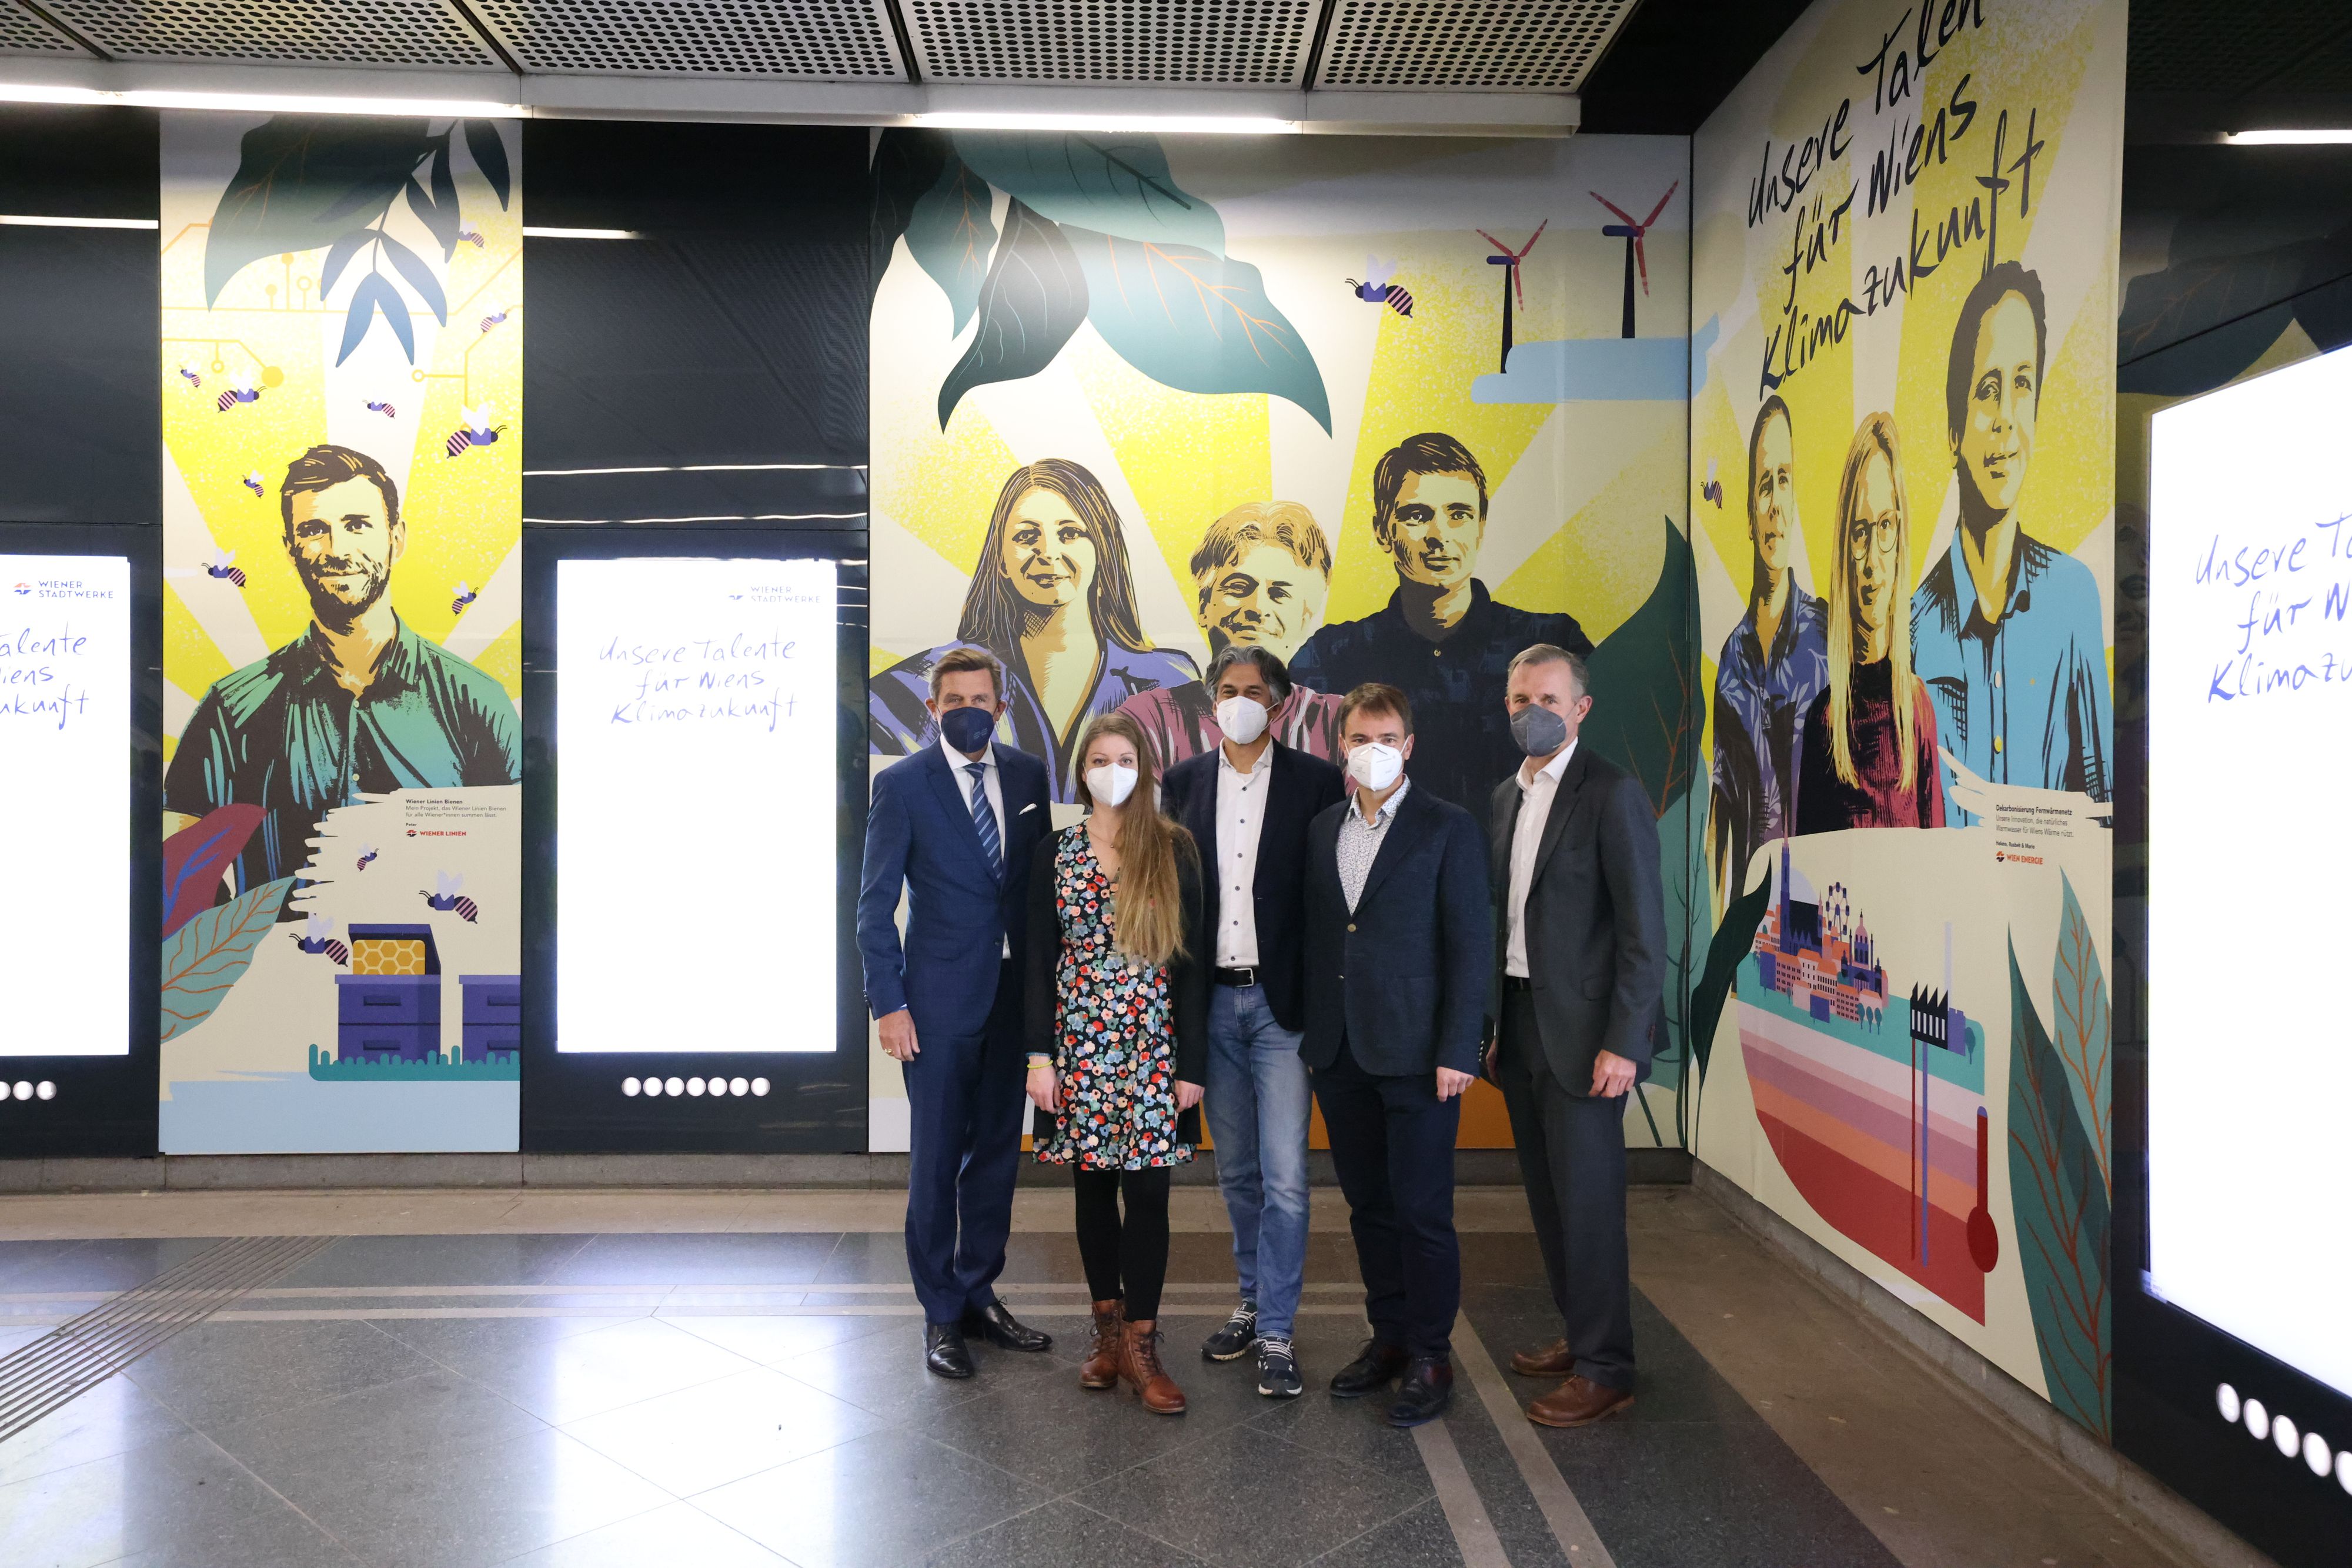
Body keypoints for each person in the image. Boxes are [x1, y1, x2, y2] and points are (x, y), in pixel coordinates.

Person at [164, 444, 519, 890]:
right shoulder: (232, 707)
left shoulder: (477, 700)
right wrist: (241, 932)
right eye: (315, 529)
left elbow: (516, 859)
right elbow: (175, 857)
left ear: (396, 539)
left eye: (357, 525)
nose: (337, 549)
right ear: (290, 549)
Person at [857, 646, 1057, 1379]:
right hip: (936, 1003)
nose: (968, 710)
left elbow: (1036, 891)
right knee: (937, 1160)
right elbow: (874, 907)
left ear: (1001, 706)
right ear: (932, 709)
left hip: (1015, 1000)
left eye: (980, 699)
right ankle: (940, 1313)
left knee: (999, 1155)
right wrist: (889, 1003)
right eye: (954, 700)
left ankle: (978, 1292)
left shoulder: (1029, 776)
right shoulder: (902, 784)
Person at [1302, 681, 1493, 1428]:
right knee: (1369, 1208)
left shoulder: (1448, 827)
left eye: (1386, 739)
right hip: (1340, 1051)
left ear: (1408, 747)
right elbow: (1325, 935)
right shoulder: (1324, 827)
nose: (1372, 751)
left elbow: (1470, 944)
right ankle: (1387, 1336)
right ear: (1340, 746)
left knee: (1422, 1212)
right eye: (1360, 739)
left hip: (1420, 1056)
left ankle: (1430, 1354)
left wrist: (1459, 1047)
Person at [1486, 644, 1665, 1428]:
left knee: (1589, 1204)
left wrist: (1625, 1040)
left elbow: (1643, 931)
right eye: (1520, 698)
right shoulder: (1507, 795)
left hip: (1590, 1037)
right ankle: (1581, 1331)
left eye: (1549, 699)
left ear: (1581, 708)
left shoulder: (1611, 794)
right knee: (1550, 1197)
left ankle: (1606, 1367)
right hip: (1522, 1023)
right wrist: (1495, 1025)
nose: (1533, 711)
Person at [1159, 644, 1345, 1398]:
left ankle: (1276, 1328)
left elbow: (1329, 901)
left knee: (1287, 1178)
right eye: (1228, 690)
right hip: (1210, 1004)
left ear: (1280, 702)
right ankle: (1250, 1299)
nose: (1240, 702)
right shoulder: (1182, 783)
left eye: (1254, 691)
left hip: (1281, 1007)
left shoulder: (1318, 782)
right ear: (1212, 703)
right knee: (1235, 1172)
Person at [1024, 710, 1207, 1416]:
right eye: (1099, 760)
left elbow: (1191, 966)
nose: (1112, 772)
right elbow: (1037, 962)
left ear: (1145, 768)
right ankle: (1106, 1339)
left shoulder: (1174, 847)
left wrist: (1192, 1064)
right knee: (1093, 1191)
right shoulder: (1055, 852)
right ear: (1082, 772)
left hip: (1153, 1047)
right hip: (1078, 1046)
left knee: (1151, 1195)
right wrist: (1039, 1060)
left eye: (1124, 760)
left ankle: (1142, 1345)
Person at [1288, 434, 1591, 818]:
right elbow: (1299, 777)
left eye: (1458, 514)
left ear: (1480, 526)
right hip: (1381, 853)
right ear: (1383, 530)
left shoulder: (1553, 643)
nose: (1439, 535)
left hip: (1517, 854)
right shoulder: (1330, 656)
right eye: (1417, 515)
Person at [870, 459, 1199, 802]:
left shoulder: (1172, 680)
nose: (1049, 553)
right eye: (1027, 536)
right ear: (1001, 559)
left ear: (1102, 550)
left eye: (1070, 534)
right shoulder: (907, 689)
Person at [1910, 262, 2110, 824]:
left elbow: (2102, 816)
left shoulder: (2073, 598)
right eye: (1987, 390)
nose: (2005, 418)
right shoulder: (1913, 634)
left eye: (2022, 384)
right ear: (1954, 429)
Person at [1795, 416, 1946, 833]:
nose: (1872, 561)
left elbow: (1940, 863)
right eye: (1860, 532)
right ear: (1845, 548)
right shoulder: (1823, 722)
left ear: (1900, 541)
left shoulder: (1918, 711)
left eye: (1885, 526)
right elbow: (1804, 869)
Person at [1118, 502, 1345, 766]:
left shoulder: (1338, 724)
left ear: (1306, 619)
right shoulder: (1149, 721)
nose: (1257, 608)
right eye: (1239, 588)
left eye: (1279, 593)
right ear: (1204, 606)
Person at [1711, 396, 1830, 903]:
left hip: (1819, 903)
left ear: (1796, 501)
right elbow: (1720, 821)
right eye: (1764, 484)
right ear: (1749, 513)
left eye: (1785, 480)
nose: (1776, 502)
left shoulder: (1827, 637)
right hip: (1748, 915)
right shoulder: (1730, 660)